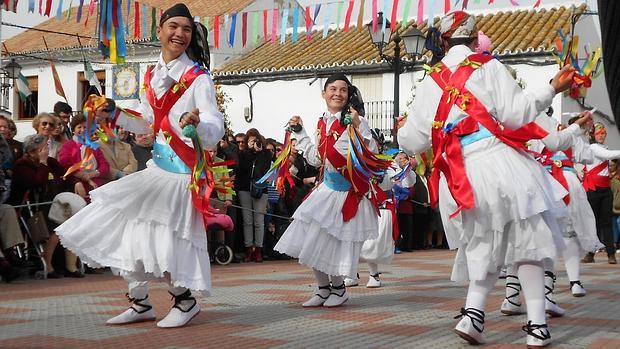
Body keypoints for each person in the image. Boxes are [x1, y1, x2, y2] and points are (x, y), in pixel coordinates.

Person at [397, 10, 574, 347]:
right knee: (528, 244)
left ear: (444, 40)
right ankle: (537, 327)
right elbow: (516, 114)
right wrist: (552, 87)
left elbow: (413, 141)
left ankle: (473, 316)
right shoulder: (488, 65)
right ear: (475, 35)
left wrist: (402, 129)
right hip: (499, 164)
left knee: (483, 243)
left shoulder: (430, 79)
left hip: (461, 175)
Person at [55, 3, 224, 328]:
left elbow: (216, 124)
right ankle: (140, 302)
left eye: (186, 29)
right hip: (157, 170)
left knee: (165, 239)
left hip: (180, 175)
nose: (180, 34)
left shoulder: (198, 79)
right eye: (174, 27)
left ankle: (186, 301)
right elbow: (147, 120)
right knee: (129, 231)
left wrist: (199, 124)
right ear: (159, 31)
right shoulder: (151, 74)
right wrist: (113, 112)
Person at [275, 73, 384, 308]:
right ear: (323, 93)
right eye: (333, 89)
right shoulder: (322, 121)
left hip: (347, 192)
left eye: (343, 90)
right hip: (327, 190)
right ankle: (323, 289)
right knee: (310, 238)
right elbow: (317, 159)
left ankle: (339, 289)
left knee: (332, 244)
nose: (338, 94)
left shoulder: (356, 119)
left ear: (348, 94)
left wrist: (357, 125)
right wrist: (300, 133)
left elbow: (372, 152)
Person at [9, 134, 67, 278]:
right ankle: (48, 264)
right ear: (31, 152)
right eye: (42, 150)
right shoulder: (22, 165)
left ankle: (69, 265)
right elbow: (36, 183)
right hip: (32, 208)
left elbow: (65, 177)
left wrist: (77, 181)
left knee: (70, 216)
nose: (46, 152)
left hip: (52, 202)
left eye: (46, 148)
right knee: (57, 224)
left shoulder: (51, 162)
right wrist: (42, 163)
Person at [581, 122, 620, 264]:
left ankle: (611, 254)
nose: (602, 135)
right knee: (593, 222)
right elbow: (608, 155)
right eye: (599, 133)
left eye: (603, 133)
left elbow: (607, 160)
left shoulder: (604, 148)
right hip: (593, 189)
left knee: (606, 222)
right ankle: (590, 253)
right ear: (593, 135)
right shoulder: (593, 147)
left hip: (605, 189)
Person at [237, 128, 271, 262]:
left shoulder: (266, 154)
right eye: (250, 141)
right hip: (245, 189)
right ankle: (248, 248)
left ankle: (258, 249)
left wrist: (259, 152)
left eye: (255, 140)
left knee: (259, 221)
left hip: (260, 190)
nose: (253, 143)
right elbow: (243, 168)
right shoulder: (243, 153)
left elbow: (264, 169)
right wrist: (250, 152)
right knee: (247, 221)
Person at [58, 114, 110, 199]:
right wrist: (85, 178)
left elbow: (105, 166)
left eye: (85, 127)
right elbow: (65, 165)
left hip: (97, 182)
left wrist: (93, 174)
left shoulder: (94, 146)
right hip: (77, 183)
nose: (83, 130)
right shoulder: (68, 145)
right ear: (73, 130)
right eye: (79, 127)